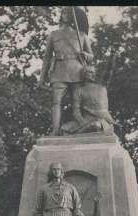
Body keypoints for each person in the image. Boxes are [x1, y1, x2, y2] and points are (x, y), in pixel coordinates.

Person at [40, 7, 94, 136]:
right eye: (63, 13)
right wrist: (42, 78)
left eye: (68, 13)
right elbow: (47, 58)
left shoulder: (82, 35)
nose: (65, 15)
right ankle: (55, 129)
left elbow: (91, 56)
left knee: (77, 104)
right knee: (56, 102)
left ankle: (82, 127)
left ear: (72, 17)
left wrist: (86, 55)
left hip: (77, 70)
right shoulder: (53, 35)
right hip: (59, 71)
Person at [61, 66, 117, 135]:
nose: (93, 74)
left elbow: (104, 109)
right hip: (86, 120)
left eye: (94, 72)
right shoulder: (78, 91)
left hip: (103, 120)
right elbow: (76, 112)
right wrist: (83, 123)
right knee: (65, 129)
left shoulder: (102, 88)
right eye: (90, 72)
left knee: (96, 125)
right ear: (83, 74)